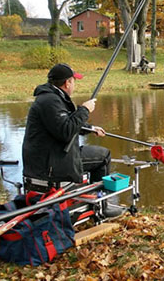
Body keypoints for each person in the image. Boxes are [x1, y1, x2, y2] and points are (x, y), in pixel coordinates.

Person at [22, 63, 122, 216]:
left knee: (100, 154)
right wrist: (85, 110)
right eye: (74, 81)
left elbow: (63, 124)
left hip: (53, 156)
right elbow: (65, 131)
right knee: (103, 157)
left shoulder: (51, 98)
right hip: (51, 164)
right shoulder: (51, 101)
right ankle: (101, 206)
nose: (74, 84)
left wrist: (90, 128)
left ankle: (95, 200)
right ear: (67, 82)